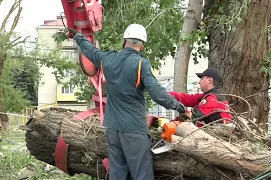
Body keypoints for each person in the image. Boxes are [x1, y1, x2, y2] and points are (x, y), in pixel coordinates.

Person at [66, 24, 186, 180]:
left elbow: (90, 51)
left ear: (125, 41)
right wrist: (179, 107)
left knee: (118, 174)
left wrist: (77, 36)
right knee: (142, 175)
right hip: (133, 130)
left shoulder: (107, 59)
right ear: (142, 45)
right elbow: (157, 94)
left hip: (113, 129)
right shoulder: (141, 64)